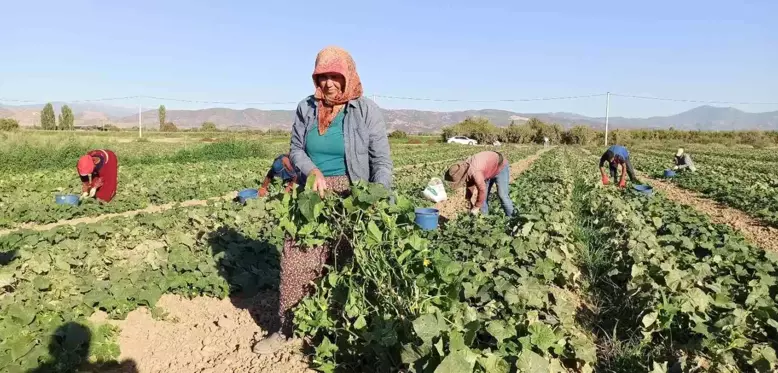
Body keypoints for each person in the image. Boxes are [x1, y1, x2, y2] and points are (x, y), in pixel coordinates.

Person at [253, 46, 393, 354]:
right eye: (322, 76)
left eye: (335, 76)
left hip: (352, 194)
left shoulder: (366, 111)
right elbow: (296, 150)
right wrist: (312, 171)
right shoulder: (307, 108)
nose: (328, 83)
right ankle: (287, 328)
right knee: (295, 258)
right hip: (312, 191)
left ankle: (335, 328)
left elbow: (381, 161)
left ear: (347, 77)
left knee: (345, 263)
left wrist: (375, 196)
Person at [444, 150, 514, 217]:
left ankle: (513, 218)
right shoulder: (465, 169)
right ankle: (484, 220)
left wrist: (476, 207)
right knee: (483, 200)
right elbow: (470, 184)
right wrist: (468, 199)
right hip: (488, 169)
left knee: (502, 196)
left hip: (500, 166)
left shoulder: (475, 172)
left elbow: (482, 189)